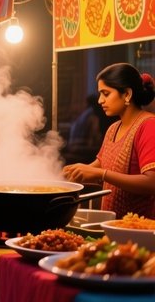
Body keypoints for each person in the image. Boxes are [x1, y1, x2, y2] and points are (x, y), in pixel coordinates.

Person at [64, 63, 155, 218]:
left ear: (127, 94)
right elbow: (102, 163)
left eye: (106, 94)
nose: (100, 100)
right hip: (112, 225)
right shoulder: (113, 128)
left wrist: (101, 173)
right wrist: (72, 173)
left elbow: (151, 183)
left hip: (141, 230)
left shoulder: (149, 126)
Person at [62, 95, 103, 165]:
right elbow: (90, 141)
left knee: (66, 155)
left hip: (86, 152)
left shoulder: (88, 117)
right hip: (85, 150)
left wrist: (75, 148)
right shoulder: (89, 116)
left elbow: (93, 144)